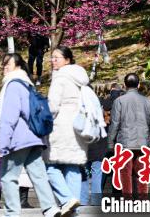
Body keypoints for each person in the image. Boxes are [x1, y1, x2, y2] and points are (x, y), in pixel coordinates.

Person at [0, 53, 62, 217]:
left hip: (18, 139)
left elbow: (9, 117)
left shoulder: (12, 85)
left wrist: (2, 143)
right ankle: (50, 208)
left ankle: (12, 213)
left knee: (8, 177)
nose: (4, 67)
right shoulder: (28, 85)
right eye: (3, 64)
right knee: (39, 175)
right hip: (34, 138)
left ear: (17, 66)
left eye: (8, 64)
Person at [44, 46, 88, 214]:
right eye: (52, 57)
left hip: (61, 127)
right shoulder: (80, 78)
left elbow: (53, 106)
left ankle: (66, 199)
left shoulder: (60, 77)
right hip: (77, 127)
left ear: (67, 60)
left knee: (50, 166)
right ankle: (72, 209)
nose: (53, 60)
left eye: (57, 58)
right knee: (73, 167)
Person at [107, 73, 150, 199]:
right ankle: (143, 201)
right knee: (142, 174)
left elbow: (115, 124)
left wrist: (111, 143)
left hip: (125, 143)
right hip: (143, 143)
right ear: (139, 85)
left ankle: (127, 201)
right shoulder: (147, 102)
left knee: (125, 174)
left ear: (124, 85)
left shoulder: (119, 101)